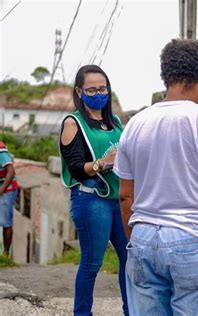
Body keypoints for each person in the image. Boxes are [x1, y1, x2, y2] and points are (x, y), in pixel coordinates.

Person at [114, 38, 198, 316]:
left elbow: (126, 196)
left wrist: (137, 238)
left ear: (166, 77)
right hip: (193, 239)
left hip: (143, 238)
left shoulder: (134, 124)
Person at [60, 65, 128, 316]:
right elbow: (76, 168)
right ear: (79, 91)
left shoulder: (115, 121)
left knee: (129, 260)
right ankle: (82, 313)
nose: (99, 93)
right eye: (92, 89)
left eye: (103, 88)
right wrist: (103, 162)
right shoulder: (73, 123)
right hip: (91, 200)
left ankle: (131, 310)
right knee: (92, 263)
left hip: (118, 198)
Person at [0, 141, 19, 258]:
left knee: (5, 221)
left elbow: (11, 172)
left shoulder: (1, 150)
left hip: (7, 187)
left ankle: (6, 253)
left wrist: (1, 190)